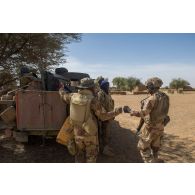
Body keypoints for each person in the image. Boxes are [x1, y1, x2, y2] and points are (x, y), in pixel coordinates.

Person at [59, 78, 122, 163]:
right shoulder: (93, 100)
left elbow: (63, 95)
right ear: (91, 88)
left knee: (79, 156)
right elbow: (103, 117)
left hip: (77, 133)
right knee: (91, 158)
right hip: (90, 134)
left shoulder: (72, 96)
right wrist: (116, 112)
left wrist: (61, 88)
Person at [130, 77, 170, 163]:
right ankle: (155, 159)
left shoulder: (152, 99)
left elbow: (143, 113)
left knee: (143, 148)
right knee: (155, 147)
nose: (147, 89)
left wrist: (131, 112)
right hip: (161, 127)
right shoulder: (166, 97)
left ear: (152, 87)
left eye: (148, 87)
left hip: (150, 129)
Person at [97, 80, 115, 156]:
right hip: (104, 118)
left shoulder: (107, 93)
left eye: (108, 85)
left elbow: (111, 103)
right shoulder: (100, 94)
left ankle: (105, 147)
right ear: (102, 86)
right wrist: (105, 116)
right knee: (104, 134)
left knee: (107, 133)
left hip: (108, 117)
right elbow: (99, 106)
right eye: (106, 85)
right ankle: (104, 150)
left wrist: (112, 115)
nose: (108, 86)